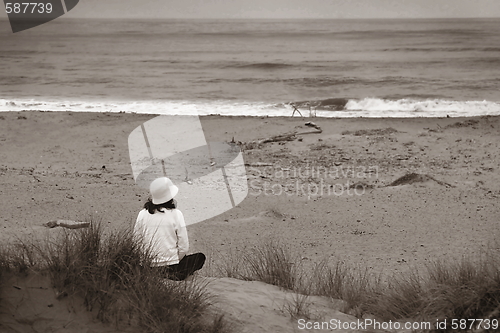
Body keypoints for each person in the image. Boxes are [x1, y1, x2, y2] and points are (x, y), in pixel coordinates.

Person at [134, 177, 205, 281]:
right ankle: (173, 274)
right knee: (200, 258)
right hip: (172, 267)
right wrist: (175, 260)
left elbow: (136, 242)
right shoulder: (176, 214)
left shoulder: (142, 214)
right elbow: (184, 247)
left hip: (147, 267)